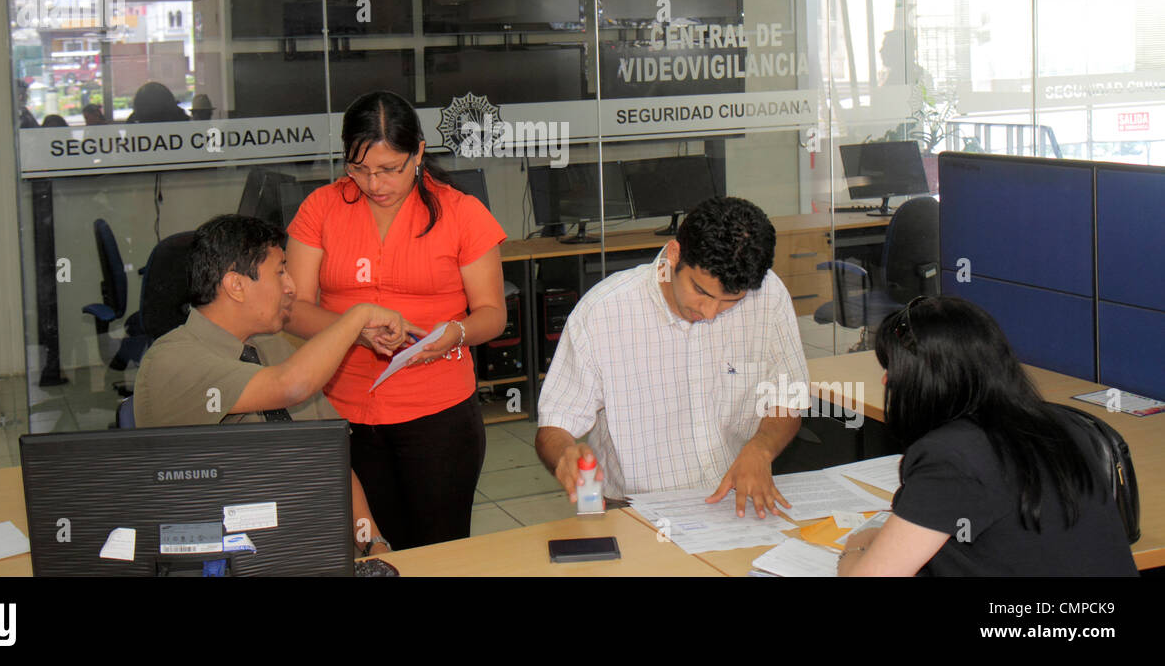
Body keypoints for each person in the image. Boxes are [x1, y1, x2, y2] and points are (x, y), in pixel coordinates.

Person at [285, 91, 508, 550]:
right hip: (342, 408)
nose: (374, 183)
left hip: (438, 414)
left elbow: (492, 314)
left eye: (390, 169)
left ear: (419, 152)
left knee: (438, 551)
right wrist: (353, 329)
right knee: (366, 551)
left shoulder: (461, 213)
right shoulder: (321, 208)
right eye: (359, 169)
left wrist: (456, 334)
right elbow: (292, 310)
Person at [134, 214, 418, 557]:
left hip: (312, 544)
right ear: (236, 286)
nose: (291, 287)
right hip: (232, 554)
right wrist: (356, 318)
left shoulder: (270, 345)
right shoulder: (171, 362)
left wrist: (373, 543)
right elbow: (291, 385)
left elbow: (331, 458)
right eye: (280, 271)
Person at [536, 196, 809, 517]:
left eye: (729, 302)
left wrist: (761, 449)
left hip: (736, 499)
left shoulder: (768, 295)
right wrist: (566, 454)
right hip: (635, 509)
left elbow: (787, 397)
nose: (710, 313)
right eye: (702, 292)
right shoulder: (602, 313)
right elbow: (555, 425)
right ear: (674, 254)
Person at [838, 295, 1137, 576]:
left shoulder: (950, 456)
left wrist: (857, 547)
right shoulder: (1067, 426)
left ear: (925, 379)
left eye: (894, 369)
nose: (886, 380)